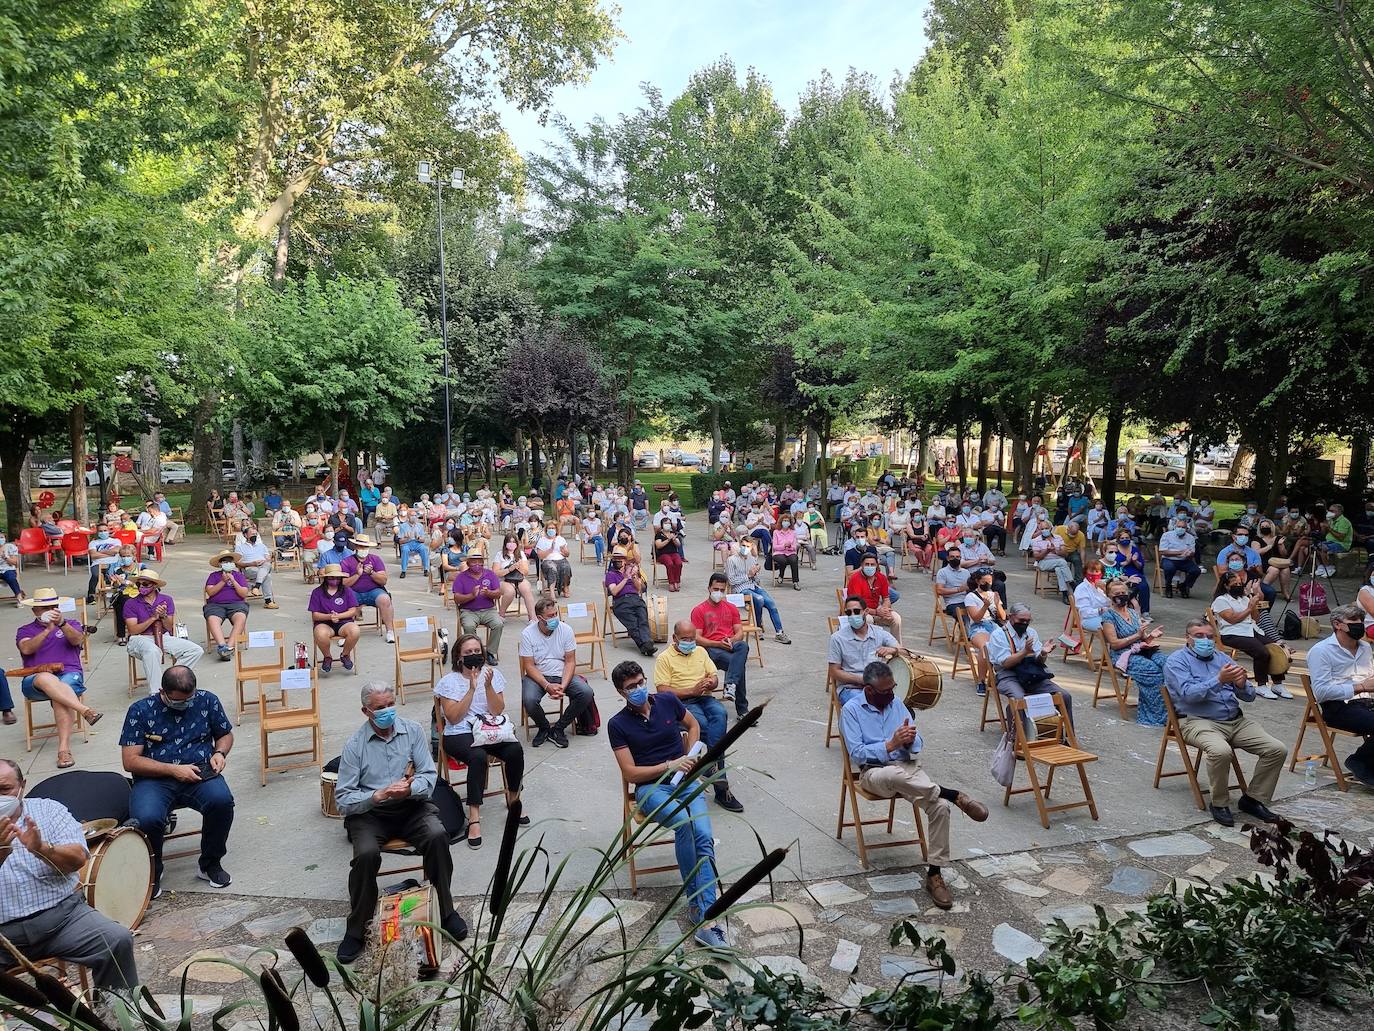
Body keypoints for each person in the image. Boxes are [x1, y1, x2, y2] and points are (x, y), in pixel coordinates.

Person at [333, 682, 467, 964]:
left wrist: (410, 789)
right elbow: (343, 799)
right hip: (371, 813)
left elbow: (429, 777)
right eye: (380, 708)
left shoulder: (412, 731)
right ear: (366, 711)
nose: (387, 712)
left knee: (437, 835)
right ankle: (357, 929)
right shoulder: (355, 745)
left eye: (390, 704)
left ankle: (446, 910)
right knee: (366, 854)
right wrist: (377, 795)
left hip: (410, 807)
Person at [840, 662, 988, 910]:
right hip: (875, 773)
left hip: (909, 769)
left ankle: (934, 874)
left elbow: (917, 740)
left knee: (940, 808)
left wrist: (909, 740)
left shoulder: (895, 702)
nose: (890, 695)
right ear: (868, 690)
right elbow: (857, 753)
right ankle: (953, 794)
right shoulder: (851, 710)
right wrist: (889, 745)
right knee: (895, 775)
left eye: (892, 689)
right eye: (885, 691)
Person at [607, 661, 727, 948]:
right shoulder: (617, 724)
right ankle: (699, 909)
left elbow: (694, 724)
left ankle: (705, 912)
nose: (637, 690)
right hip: (651, 788)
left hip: (684, 780)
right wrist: (668, 765)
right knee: (686, 826)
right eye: (630, 687)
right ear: (621, 692)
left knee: (704, 835)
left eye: (639, 682)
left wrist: (693, 753)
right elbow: (631, 773)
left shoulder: (667, 701)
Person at [0, 758, 139, 992]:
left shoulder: (48, 810)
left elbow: (77, 860)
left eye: (5, 790)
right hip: (3, 938)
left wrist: (42, 849)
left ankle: (116, 1019)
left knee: (117, 940)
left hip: (63, 920)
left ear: (22, 786)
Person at [120, 665, 235, 893]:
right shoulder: (140, 711)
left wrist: (219, 753)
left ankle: (210, 863)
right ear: (163, 692)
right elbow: (130, 760)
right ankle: (153, 869)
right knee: (146, 817)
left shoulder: (207, 701)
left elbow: (224, 734)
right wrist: (173, 770)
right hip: (155, 778)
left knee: (222, 802)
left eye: (189, 699)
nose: (185, 705)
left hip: (199, 770)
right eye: (178, 701)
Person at [1163, 619, 1287, 826]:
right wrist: (1218, 680)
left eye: (1210, 637)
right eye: (1199, 636)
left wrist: (1241, 685)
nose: (1206, 640)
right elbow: (1188, 696)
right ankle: (1219, 803)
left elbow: (1249, 697)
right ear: (1188, 638)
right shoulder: (1177, 661)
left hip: (1235, 720)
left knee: (1277, 749)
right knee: (1221, 751)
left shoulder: (1222, 658)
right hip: (1197, 721)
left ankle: (1253, 799)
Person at [436, 635, 527, 849]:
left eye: (477, 651)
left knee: (514, 750)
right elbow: (453, 717)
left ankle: (514, 800)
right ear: (458, 656)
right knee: (477, 756)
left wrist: (487, 687)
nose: (474, 656)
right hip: (459, 732)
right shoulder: (448, 682)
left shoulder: (493, 675)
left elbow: (497, 710)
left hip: (488, 728)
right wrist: (471, 688)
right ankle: (474, 815)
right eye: (468, 653)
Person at [654, 621, 743, 812]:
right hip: (681, 703)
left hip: (704, 697)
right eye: (685, 639)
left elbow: (714, 674)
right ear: (674, 639)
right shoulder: (664, 658)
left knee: (720, 713)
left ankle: (708, 764)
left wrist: (711, 682)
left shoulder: (701, 652)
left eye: (692, 638)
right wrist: (690, 690)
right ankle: (721, 788)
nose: (690, 642)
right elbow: (662, 691)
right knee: (702, 724)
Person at [15, 589, 102, 767]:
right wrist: (47, 630)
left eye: (54, 606)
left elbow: (77, 640)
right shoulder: (25, 630)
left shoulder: (71, 623)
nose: (50, 610)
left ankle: (63, 750)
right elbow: (26, 649)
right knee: (45, 678)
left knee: (61, 692)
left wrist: (61, 624)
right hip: (36, 680)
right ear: (35, 611)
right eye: (45, 607)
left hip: (68, 675)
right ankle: (85, 710)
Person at [1305, 606, 1374, 786]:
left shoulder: (1365, 647)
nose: (1359, 626)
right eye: (1353, 623)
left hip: (1367, 701)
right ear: (1337, 625)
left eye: (1361, 622)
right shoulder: (1321, 651)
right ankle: (1359, 761)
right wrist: (1359, 687)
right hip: (1339, 707)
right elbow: (1321, 692)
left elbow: (1370, 677)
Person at [518, 599, 594, 748]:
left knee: (586, 692)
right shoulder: (528, 633)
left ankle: (559, 728)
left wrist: (563, 686)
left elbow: (570, 662)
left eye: (556, 613)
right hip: (538, 675)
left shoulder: (566, 630)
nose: (555, 618)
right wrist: (547, 686)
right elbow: (529, 666)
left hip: (562, 673)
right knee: (529, 700)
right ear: (540, 618)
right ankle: (544, 727)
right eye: (550, 616)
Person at [987, 604, 1073, 735]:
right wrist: (1024, 652)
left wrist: (1043, 653)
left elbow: (1039, 661)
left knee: (1064, 696)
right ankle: (1017, 741)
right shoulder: (998, 635)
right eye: (1021, 621)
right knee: (1018, 699)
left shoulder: (1031, 633)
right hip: (1008, 675)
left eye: (1028, 621)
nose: (1024, 624)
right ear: (1010, 617)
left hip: (1030, 674)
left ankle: (1066, 736)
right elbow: (1005, 663)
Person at [1211, 570, 1292, 700]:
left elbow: (1256, 619)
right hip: (1231, 633)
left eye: (1240, 583)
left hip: (1250, 630)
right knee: (1262, 652)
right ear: (1226, 585)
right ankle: (1261, 685)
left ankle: (1277, 683)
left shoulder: (1244, 598)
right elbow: (1232, 620)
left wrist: (1253, 606)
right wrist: (1249, 607)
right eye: (1235, 583)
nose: (1238, 585)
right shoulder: (1221, 600)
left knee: (1278, 648)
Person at [124, 570, 205, 691]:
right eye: (138, 584)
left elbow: (169, 626)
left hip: (162, 635)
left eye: (145, 584)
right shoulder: (131, 603)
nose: (141, 587)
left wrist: (163, 616)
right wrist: (153, 618)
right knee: (152, 651)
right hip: (139, 638)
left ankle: (170, 680)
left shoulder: (167, 599)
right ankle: (156, 692)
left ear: (154, 585)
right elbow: (133, 630)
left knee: (195, 650)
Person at [1101, 579, 1167, 727]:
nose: (1121, 596)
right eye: (1117, 594)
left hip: (1142, 648)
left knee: (1168, 663)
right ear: (1109, 596)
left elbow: (1142, 637)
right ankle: (1155, 715)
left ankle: (1172, 708)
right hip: (1123, 654)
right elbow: (1115, 644)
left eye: (1124, 593)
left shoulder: (1132, 612)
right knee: (1152, 671)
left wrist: (1151, 636)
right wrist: (1137, 636)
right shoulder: (1108, 616)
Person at [692, 573, 751, 717]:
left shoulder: (731, 608)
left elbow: (739, 633)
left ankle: (730, 684)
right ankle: (742, 710)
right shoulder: (699, 610)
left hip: (729, 644)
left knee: (742, 646)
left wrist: (731, 640)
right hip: (711, 648)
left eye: (722, 590)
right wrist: (718, 643)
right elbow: (697, 638)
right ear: (709, 588)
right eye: (715, 589)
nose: (718, 593)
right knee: (737, 664)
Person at [828, 596, 904, 707]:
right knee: (867, 707)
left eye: (857, 611)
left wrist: (893, 650)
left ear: (866, 612)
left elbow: (906, 652)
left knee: (902, 707)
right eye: (849, 612)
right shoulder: (838, 638)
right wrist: (862, 680)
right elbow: (834, 672)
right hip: (851, 688)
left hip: (878, 687)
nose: (853, 615)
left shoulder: (879, 633)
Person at [724, 537, 792, 645]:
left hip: (753, 586)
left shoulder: (752, 559)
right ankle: (758, 627)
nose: (745, 549)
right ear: (739, 545)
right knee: (759, 599)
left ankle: (779, 632)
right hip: (739, 589)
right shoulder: (731, 560)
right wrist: (748, 575)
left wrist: (755, 574)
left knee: (771, 603)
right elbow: (731, 581)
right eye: (743, 546)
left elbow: (757, 580)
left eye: (748, 547)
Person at [342, 535, 396, 645]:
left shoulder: (375, 559)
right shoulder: (346, 561)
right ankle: (345, 633)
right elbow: (344, 583)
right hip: (354, 592)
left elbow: (383, 580)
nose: (363, 549)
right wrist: (357, 574)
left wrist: (372, 573)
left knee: (385, 599)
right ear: (356, 546)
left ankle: (390, 631)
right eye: (361, 547)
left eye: (365, 547)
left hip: (374, 591)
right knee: (345, 600)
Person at [453, 550, 504, 664]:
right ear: (467, 563)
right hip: (468, 611)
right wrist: (471, 596)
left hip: (488, 610)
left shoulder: (490, 574)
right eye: (473, 562)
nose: (477, 565)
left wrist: (488, 593)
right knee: (469, 626)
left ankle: (490, 652)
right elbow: (456, 598)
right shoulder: (461, 577)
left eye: (479, 562)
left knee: (498, 624)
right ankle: (475, 653)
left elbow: (498, 593)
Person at [308, 564, 362, 674]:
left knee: (355, 630)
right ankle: (327, 656)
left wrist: (339, 616)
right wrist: (329, 617)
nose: (335, 580)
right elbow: (315, 615)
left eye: (337, 578)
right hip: (324, 623)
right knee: (320, 633)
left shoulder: (347, 591)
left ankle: (345, 654)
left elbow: (353, 610)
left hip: (344, 622)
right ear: (326, 578)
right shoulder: (317, 592)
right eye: (332, 577)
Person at [606, 547, 656, 656]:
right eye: (615, 559)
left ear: (624, 561)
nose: (617, 561)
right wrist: (625, 578)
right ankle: (646, 644)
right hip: (621, 601)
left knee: (642, 619)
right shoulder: (611, 574)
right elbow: (614, 591)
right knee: (633, 624)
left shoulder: (630, 571)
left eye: (620, 559)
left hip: (635, 598)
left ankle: (645, 645)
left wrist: (633, 577)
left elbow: (639, 589)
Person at [963, 570, 1005, 696]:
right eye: (984, 582)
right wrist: (985, 606)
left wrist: (997, 604)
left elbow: (1003, 617)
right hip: (978, 627)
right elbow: (975, 618)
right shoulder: (971, 597)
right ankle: (981, 681)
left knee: (1007, 643)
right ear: (978, 582)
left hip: (993, 625)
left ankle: (1003, 676)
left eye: (990, 582)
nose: (987, 584)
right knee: (986, 647)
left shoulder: (993, 594)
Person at [203, 549, 250, 660]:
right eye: (224, 561)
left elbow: (244, 594)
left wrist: (233, 581)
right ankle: (222, 645)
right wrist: (223, 581)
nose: (227, 563)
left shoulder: (238, 576)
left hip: (237, 604)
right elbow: (210, 592)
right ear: (220, 564)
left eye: (230, 561)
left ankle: (228, 648)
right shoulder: (213, 576)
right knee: (212, 619)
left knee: (241, 618)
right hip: (216, 605)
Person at [846, 551, 902, 643]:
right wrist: (876, 612)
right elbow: (856, 606)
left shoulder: (881, 577)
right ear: (862, 566)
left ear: (877, 566)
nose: (870, 567)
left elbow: (886, 598)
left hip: (877, 610)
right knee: (868, 620)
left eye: (872, 564)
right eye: (867, 564)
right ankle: (870, 649)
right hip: (859, 612)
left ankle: (896, 648)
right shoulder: (855, 579)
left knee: (896, 618)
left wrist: (885, 609)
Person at [234, 520, 279, 610]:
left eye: (255, 534)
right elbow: (237, 563)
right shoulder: (240, 547)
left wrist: (264, 560)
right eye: (252, 534)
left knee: (266, 565)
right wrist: (252, 563)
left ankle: (256, 587)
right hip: (250, 568)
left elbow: (268, 558)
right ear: (245, 535)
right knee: (267, 576)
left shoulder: (261, 546)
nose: (254, 535)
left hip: (263, 566)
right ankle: (268, 601)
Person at [1158, 515, 1200, 599]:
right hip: (1168, 559)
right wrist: (1179, 552)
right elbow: (1163, 551)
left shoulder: (1190, 538)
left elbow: (1192, 552)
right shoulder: (1166, 535)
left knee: (1196, 570)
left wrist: (1189, 554)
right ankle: (1168, 586)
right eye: (1179, 526)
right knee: (1170, 568)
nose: (1180, 528)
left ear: (1186, 529)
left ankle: (1184, 586)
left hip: (1184, 560)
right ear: (1175, 527)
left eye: (1183, 527)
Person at [1030, 524, 1074, 604]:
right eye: (1042, 529)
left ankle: (1065, 594)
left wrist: (1055, 551)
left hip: (1058, 562)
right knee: (1062, 562)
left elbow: (1065, 553)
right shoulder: (1036, 540)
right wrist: (1046, 551)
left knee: (1059, 569)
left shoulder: (1058, 538)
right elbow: (1037, 557)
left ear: (1051, 528)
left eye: (1046, 528)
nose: (1045, 530)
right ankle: (1071, 583)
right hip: (1044, 563)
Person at [83, 520, 123, 605]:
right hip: (97, 563)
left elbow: (116, 551)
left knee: (118, 575)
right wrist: (109, 553)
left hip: (113, 563)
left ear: (108, 531)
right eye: (100, 531)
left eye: (105, 530)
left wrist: (101, 552)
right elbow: (93, 555)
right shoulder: (93, 543)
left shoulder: (116, 541)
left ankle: (117, 594)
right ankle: (91, 595)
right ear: (97, 532)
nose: (103, 532)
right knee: (95, 575)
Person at [1072, 559, 1111, 635]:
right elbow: (1084, 612)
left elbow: (1114, 602)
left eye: (1097, 571)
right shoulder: (1082, 588)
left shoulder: (1104, 585)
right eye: (1091, 571)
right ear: (1086, 572)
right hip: (1089, 619)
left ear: (1101, 573)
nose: (1094, 574)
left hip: (1108, 616)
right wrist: (1101, 610)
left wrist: (1106, 591)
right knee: (1111, 627)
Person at [535, 523, 573, 598]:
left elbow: (567, 554)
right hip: (548, 560)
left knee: (566, 567)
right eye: (549, 528)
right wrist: (550, 549)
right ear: (546, 530)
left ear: (556, 530)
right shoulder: (542, 540)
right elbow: (540, 555)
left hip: (561, 559)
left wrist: (564, 551)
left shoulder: (560, 539)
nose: (551, 530)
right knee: (552, 569)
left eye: (553, 528)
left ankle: (565, 587)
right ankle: (552, 592)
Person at [1317, 503, 1354, 577]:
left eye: (1332, 511)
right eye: (1329, 510)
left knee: (1322, 547)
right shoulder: (1331, 520)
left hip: (1341, 544)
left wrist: (1329, 528)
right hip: (1330, 542)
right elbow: (1323, 534)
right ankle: (1322, 567)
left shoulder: (1344, 521)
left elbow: (1341, 537)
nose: (1329, 512)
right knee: (1314, 546)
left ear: (1339, 512)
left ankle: (1329, 568)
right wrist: (1323, 527)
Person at [654, 517, 685, 592]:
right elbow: (658, 545)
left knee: (679, 563)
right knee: (670, 564)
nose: (668, 525)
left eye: (669, 523)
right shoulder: (659, 534)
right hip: (663, 554)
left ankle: (677, 581)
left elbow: (678, 545)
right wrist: (668, 540)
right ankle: (671, 583)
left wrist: (674, 539)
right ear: (662, 525)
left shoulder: (673, 533)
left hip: (674, 553)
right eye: (666, 523)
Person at [770, 514, 801, 589]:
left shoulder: (793, 532)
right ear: (781, 522)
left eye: (787, 521)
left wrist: (790, 546)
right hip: (779, 552)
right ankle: (781, 575)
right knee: (782, 560)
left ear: (790, 523)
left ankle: (795, 582)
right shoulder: (776, 532)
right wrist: (783, 546)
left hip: (790, 552)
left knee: (794, 560)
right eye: (784, 521)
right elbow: (774, 547)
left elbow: (794, 547)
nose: (786, 522)